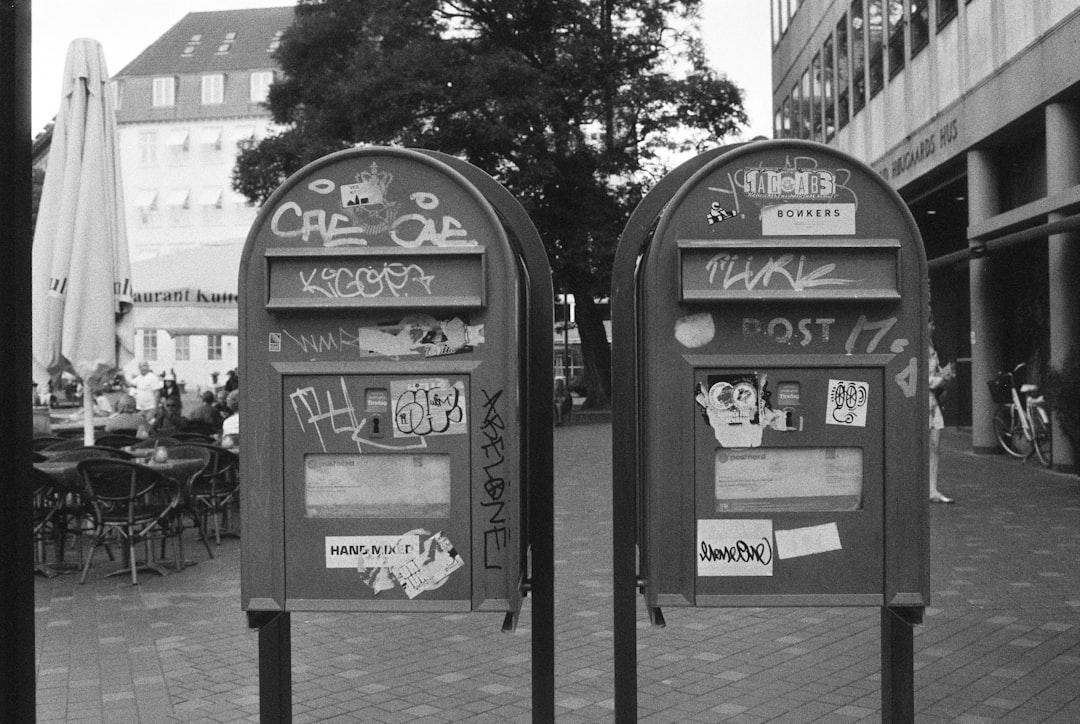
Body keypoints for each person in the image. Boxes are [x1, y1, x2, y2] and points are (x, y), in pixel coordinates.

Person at [929, 339, 955, 503]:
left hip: (933, 401)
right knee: (922, 447)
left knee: (935, 446)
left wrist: (944, 374)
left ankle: (932, 489)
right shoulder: (914, 345)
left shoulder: (932, 347)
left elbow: (935, 371)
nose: (933, 327)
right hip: (922, 400)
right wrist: (939, 380)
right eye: (931, 323)